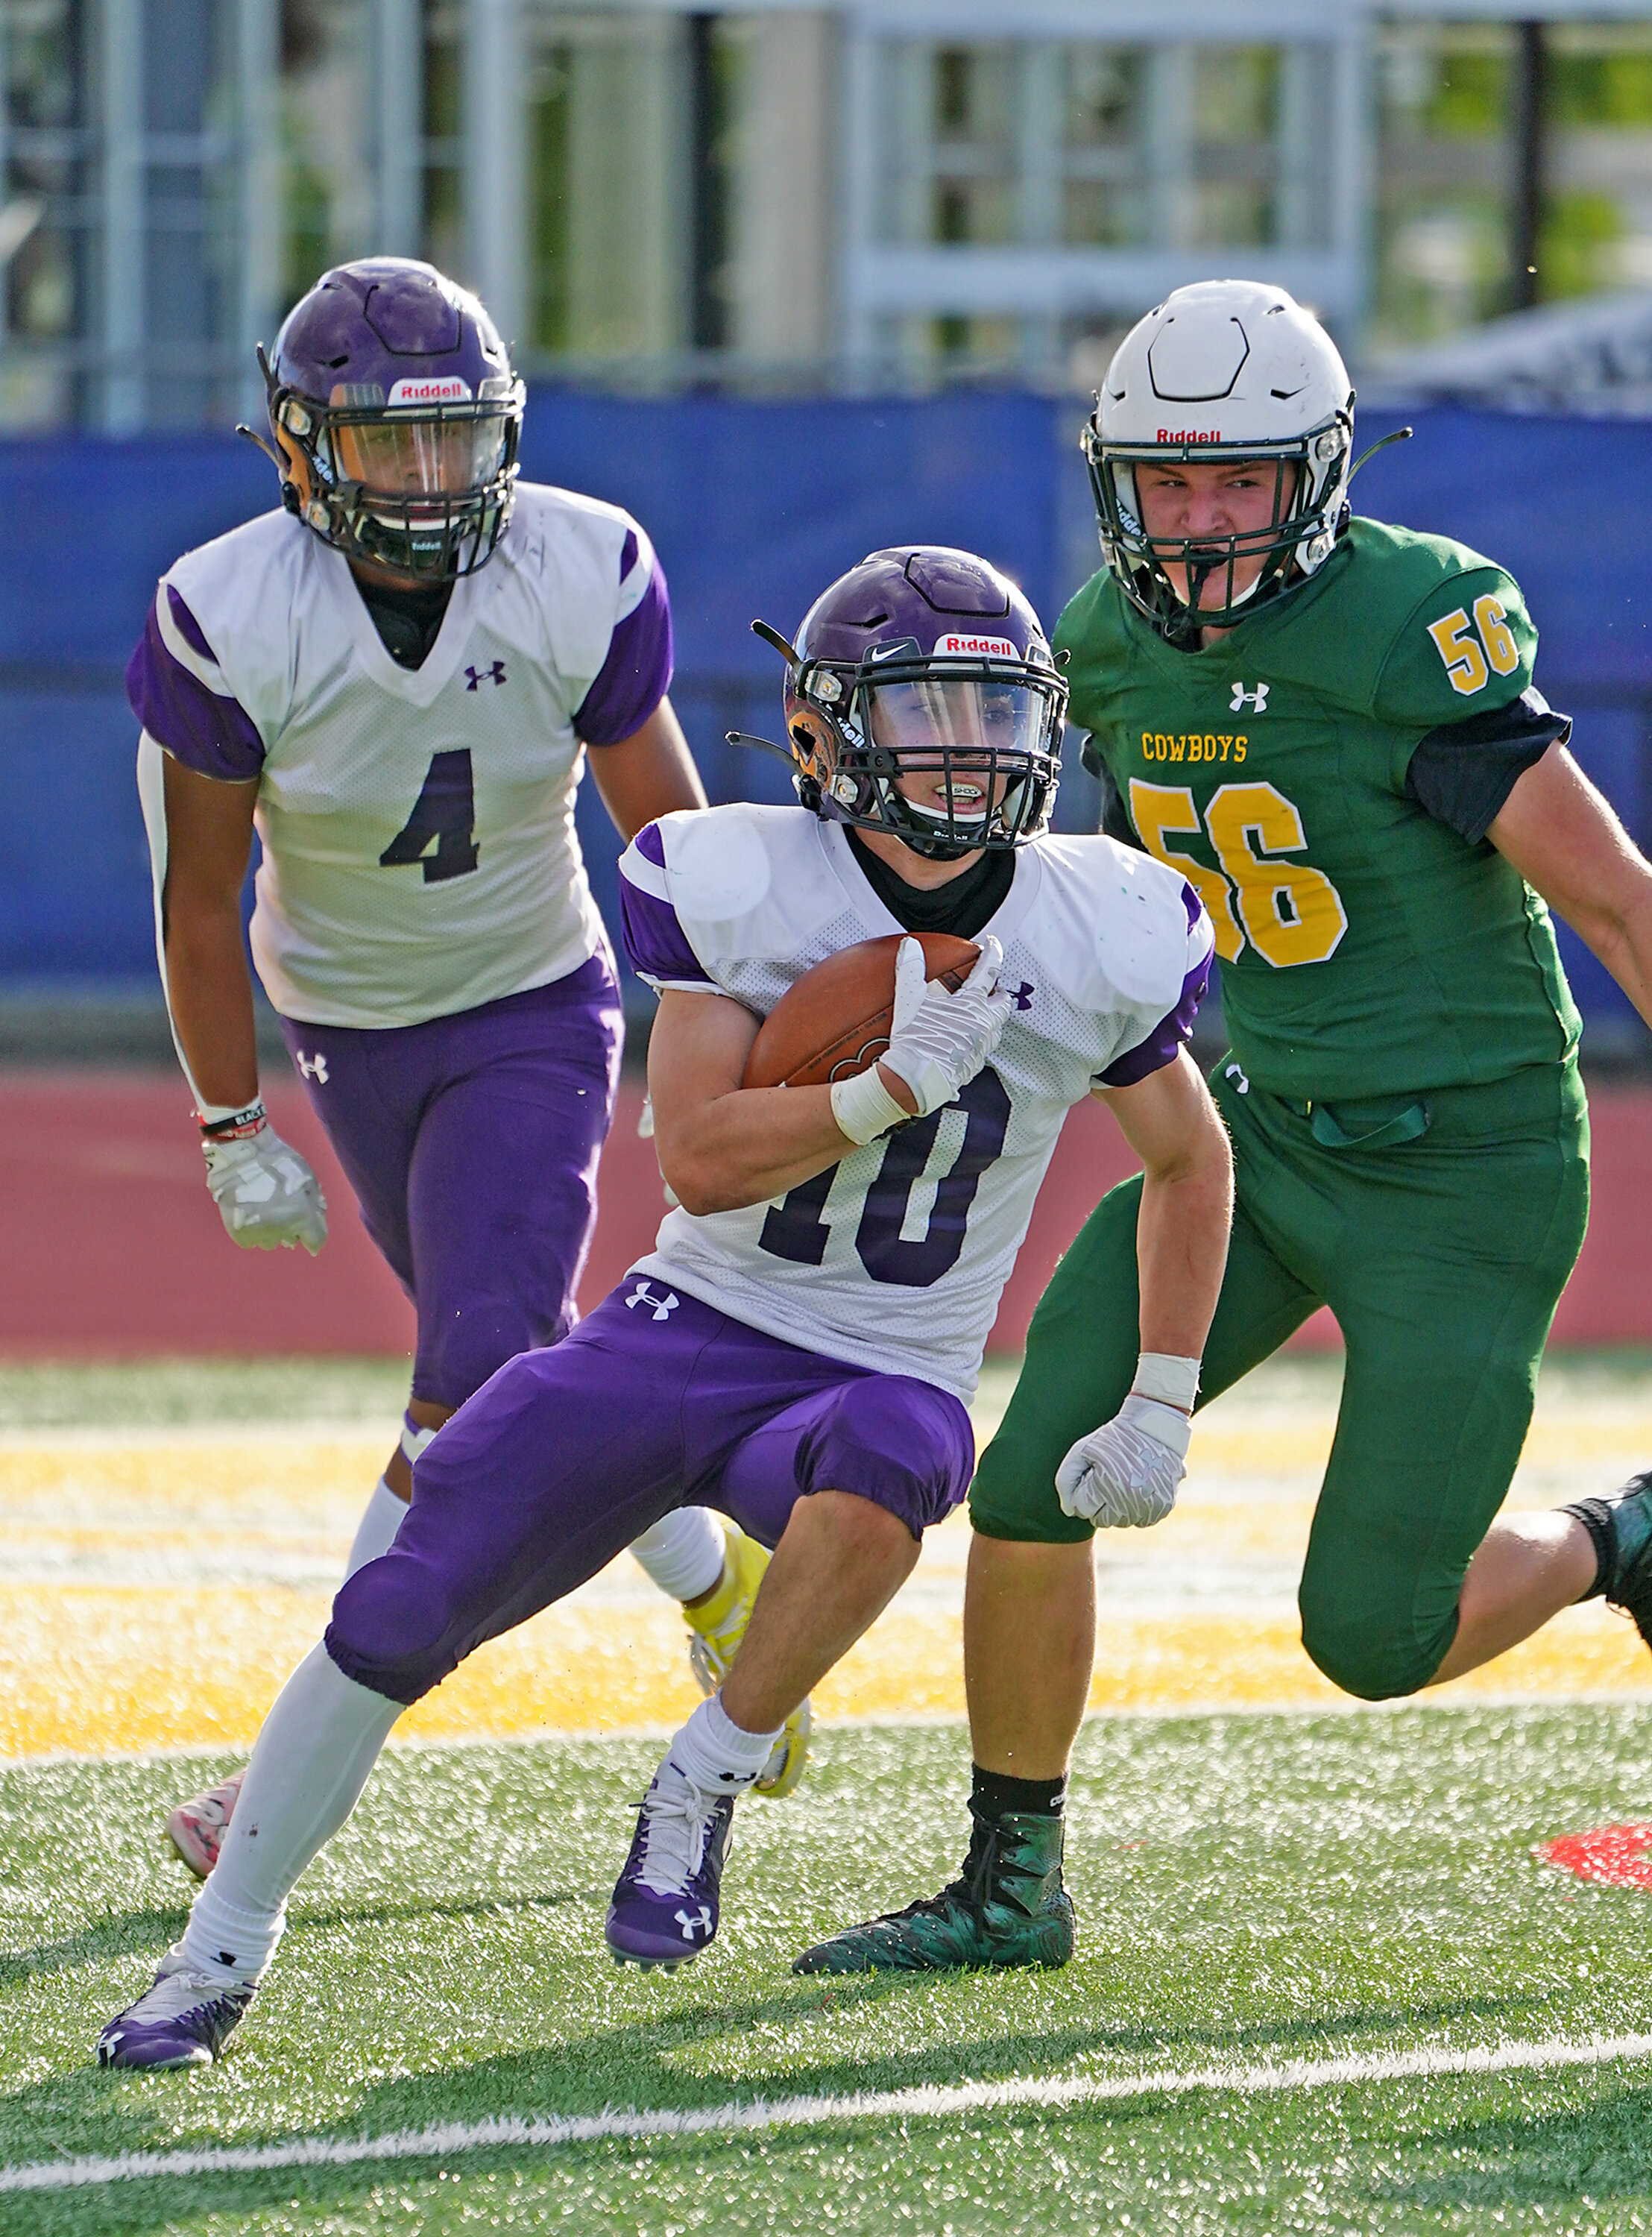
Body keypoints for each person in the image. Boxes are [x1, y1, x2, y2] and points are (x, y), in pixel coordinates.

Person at [95, 543, 1231, 2067]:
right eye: (923, 709)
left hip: (885, 1359)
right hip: (692, 1322)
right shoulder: (747, 881)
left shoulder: (1104, 920)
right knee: (398, 1608)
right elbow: (695, 1159)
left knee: (904, 1454)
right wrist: (886, 1087)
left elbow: (1189, 1159)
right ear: (823, 735)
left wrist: (1160, 1398)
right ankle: (215, 1956)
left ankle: (705, 1775)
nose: (965, 748)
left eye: (993, 709)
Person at [797, 278, 1652, 1980]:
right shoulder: (1101, 646)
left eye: (1238, 481)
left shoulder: (1406, 623)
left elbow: (1618, 900)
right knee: (1028, 1476)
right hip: (1261, 1140)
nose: (1197, 522)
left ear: (1314, 474)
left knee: (1375, 1639)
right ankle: (1010, 1881)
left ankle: (1619, 1539)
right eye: (1167, 484)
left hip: (1463, 1169)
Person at [127, 255, 795, 1880]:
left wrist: (744, 1034)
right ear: (301, 450)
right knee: (517, 1380)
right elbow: (197, 898)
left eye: (455, 437)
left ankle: (278, 1785)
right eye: (387, 442)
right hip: (347, 1022)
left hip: (529, 1003)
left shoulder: (580, 563)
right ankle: (720, 1581)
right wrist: (229, 1120)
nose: (429, 479)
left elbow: (673, 840)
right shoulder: (229, 610)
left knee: (467, 1379)